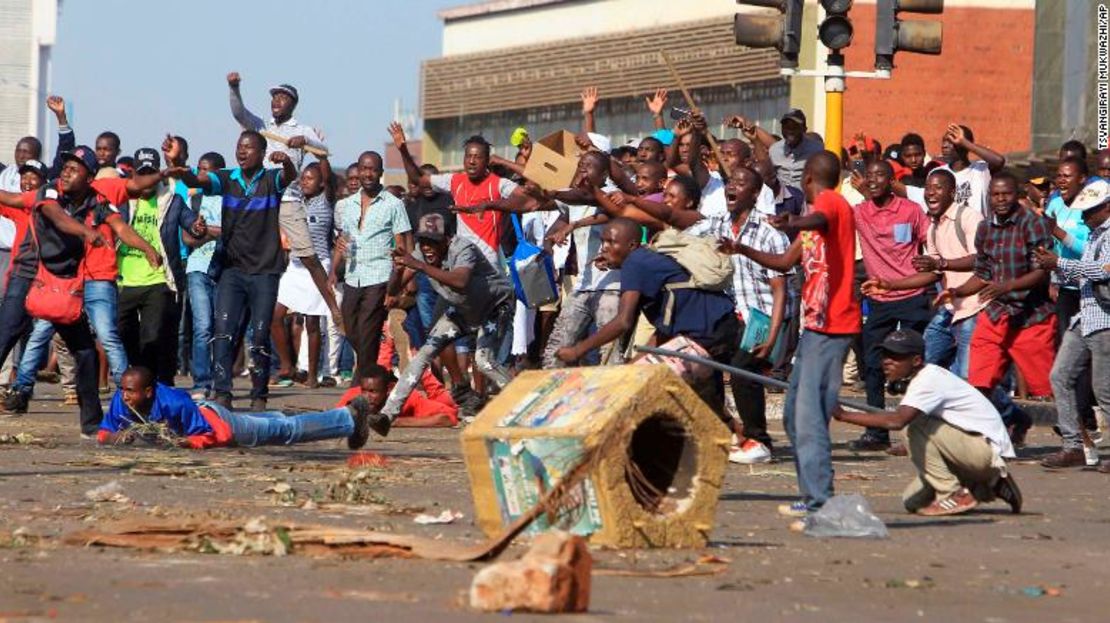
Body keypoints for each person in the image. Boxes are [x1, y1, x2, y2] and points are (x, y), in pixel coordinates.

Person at [735, 151, 860, 520]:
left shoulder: (830, 203)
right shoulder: (812, 221)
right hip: (814, 327)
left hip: (834, 327)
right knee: (793, 414)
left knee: (809, 416)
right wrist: (742, 248)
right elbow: (784, 263)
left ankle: (821, 501)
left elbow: (820, 218)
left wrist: (795, 220)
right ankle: (812, 494)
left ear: (808, 178)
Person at [0, 147, 165, 416]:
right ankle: (21, 390)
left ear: (89, 178)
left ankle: (100, 416)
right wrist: (86, 231)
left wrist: (148, 248)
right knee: (14, 335)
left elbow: (121, 227)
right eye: (65, 168)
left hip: (71, 284)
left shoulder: (97, 200)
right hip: (32, 277)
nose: (65, 173)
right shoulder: (50, 190)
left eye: (74, 169)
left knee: (92, 347)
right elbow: (55, 215)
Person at [554, 217, 739, 414]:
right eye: (603, 241)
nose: (604, 248)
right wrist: (635, 362)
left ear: (631, 245)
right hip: (717, 326)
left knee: (646, 390)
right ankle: (736, 437)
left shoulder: (635, 263)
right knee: (705, 398)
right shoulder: (645, 258)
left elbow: (623, 322)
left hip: (705, 334)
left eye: (611, 242)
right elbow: (666, 325)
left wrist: (578, 350)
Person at [169, 131, 299, 411]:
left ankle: (259, 395)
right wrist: (180, 162)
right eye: (239, 146)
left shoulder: (271, 179)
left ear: (262, 152)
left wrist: (286, 161)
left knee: (260, 334)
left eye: (249, 147)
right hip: (232, 270)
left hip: (264, 271)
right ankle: (223, 393)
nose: (242, 151)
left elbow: (289, 176)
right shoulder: (226, 178)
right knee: (223, 331)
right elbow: (196, 180)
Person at [831, 330, 1021, 516]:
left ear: (916, 361)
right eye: (885, 355)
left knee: (913, 426)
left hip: (984, 452)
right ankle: (991, 484)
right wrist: (912, 446)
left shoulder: (928, 379)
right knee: (913, 502)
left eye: (896, 357)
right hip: (974, 453)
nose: (886, 361)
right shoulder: (923, 379)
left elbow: (897, 421)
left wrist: (843, 415)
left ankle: (953, 493)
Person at [938, 173, 1055, 436]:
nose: (1001, 200)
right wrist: (955, 292)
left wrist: (1007, 286)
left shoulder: (1032, 224)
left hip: (1031, 316)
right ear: (989, 197)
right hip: (996, 312)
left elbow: (1041, 272)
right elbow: (983, 274)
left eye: (1006, 194)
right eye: (995, 195)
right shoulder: (985, 228)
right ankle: (997, 431)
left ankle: (1080, 441)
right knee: (978, 382)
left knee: (1048, 388)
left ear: (1017, 194)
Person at [378, 213, 517, 435]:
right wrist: (397, 270)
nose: (427, 248)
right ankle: (387, 415)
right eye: (423, 242)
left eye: (433, 242)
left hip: (494, 306)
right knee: (424, 354)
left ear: (447, 239)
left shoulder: (463, 248)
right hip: (463, 309)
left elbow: (460, 281)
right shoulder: (420, 254)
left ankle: (521, 406)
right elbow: (393, 291)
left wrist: (419, 266)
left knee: (483, 361)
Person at [847, 160, 932, 451]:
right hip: (879, 299)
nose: (873, 180)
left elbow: (930, 244)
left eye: (880, 175)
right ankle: (877, 431)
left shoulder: (911, 210)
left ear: (891, 180)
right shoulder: (859, 213)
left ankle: (917, 435)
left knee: (915, 366)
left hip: (912, 295)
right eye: (869, 176)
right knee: (872, 365)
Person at [97, 367, 374, 450]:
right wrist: (116, 438)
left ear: (148, 391)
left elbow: (203, 434)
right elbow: (104, 432)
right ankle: (367, 417)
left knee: (283, 430)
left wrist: (182, 443)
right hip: (210, 419)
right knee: (277, 419)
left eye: (130, 391)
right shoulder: (123, 401)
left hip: (220, 426)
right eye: (123, 389)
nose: (125, 395)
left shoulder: (174, 401)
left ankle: (348, 419)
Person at [716, 167, 791, 464]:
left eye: (741, 183)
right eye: (730, 182)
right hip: (731, 315)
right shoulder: (718, 225)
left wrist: (772, 337)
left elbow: (780, 291)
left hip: (762, 319)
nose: (732, 187)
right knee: (704, 369)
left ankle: (760, 442)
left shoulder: (769, 232)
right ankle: (734, 431)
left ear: (756, 194)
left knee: (742, 373)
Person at [1034, 180, 1110, 468]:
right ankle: (1073, 445)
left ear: (1107, 207)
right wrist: (1055, 270)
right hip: (1086, 315)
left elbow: (1103, 271)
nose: (1084, 217)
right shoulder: (1093, 235)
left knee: (1104, 390)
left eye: (1090, 211)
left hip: (1104, 320)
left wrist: (1061, 265)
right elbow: (1089, 274)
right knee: (1060, 376)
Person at [117, 147, 205, 386]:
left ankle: (152, 386)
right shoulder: (121, 199)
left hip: (159, 279)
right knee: (123, 334)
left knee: (152, 336)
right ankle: (139, 379)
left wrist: (198, 227)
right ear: (134, 174)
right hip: (123, 280)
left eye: (151, 173)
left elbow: (190, 223)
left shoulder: (172, 199)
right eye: (142, 173)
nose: (146, 180)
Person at [330, 151, 412, 383]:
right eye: (364, 169)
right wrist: (333, 270)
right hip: (353, 274)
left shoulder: (394, 204)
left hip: (379, 274)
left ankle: (361, 384)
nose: (368, 174)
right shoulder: (348, 204)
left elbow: (403, 243)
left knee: (367, 328)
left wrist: (398, 281)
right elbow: (343, 238)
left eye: (373, 169)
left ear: (380, 173)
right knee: (349, 326)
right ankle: (378, 374)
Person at [542, 152, 625, 368]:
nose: (582, 170)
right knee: (558, 344)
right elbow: (562, 218)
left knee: (610, 350)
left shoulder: (612, 193)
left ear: (604, 173)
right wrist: (549, 241)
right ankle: (550, 394)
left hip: (611, 286)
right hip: (583, 284)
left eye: (588, 166)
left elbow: (597, 205)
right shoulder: (572, 198)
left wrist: (573, 223)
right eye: (580, 165)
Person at [1044, 157, 1099, 437]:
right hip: (1072, 295)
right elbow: (1056, 250)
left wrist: (1060, 237)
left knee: (1099, 375)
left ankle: (1084, 418)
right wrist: (1055, 274)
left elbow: (1097, 262)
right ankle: (1074, 436)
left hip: (1098, 302)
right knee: (1064, 367)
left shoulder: (1100, 220)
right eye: (1059, 175)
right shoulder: (1055, 204)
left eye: (1068, 175)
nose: (1062, 179)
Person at [273, 158, 338, 387]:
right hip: (296, 265)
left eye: (310, 178)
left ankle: (312, 375)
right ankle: (287, 365)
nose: (304, 182)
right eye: (303, 179)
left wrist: (318, 151)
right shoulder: (296, 200)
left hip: (318, 265)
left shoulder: (327, 200)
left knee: (312, 323)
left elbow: (329, 175)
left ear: (322, 184)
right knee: (276, 315)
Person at [182, 152, 226, 400]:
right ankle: (201, 382)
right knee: (202, 327)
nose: (200, 175)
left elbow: (235, 232)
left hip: (224, 268)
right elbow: (187, 238)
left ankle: (221, 381)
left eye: (205, 170)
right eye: (198, 169)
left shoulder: (230, 198)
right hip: (198, 268)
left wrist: (204, 231)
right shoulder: (195, 199)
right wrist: (211, 232)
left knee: (222, 327)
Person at [337, 363, 458, 428]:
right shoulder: (353, 395)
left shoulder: (408, 398)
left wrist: (398, 422)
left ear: (389, 389)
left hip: (444, 400)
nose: (366, 396)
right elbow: (335, 417)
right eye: (364, 390)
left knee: (440, 394)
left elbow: (449, 418)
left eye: (373, 392)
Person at [937, 124, 1006, 219]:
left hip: (981, 231)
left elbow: (999, 161)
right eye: (943, 141)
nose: (944, 145)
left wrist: (965, 142)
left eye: (950, 141)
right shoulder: (938, 173)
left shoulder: (982, 169)